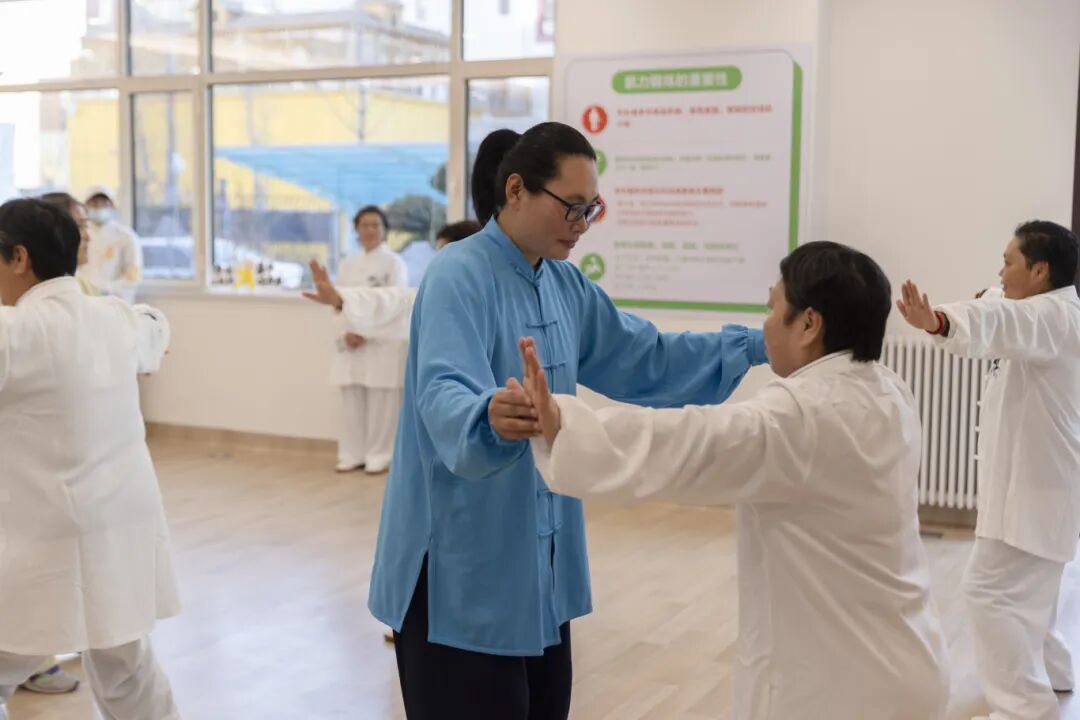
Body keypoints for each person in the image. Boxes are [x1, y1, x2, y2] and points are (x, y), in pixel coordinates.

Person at [367, 122, 768, 720]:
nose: (582, 224)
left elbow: (648, 357)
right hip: (460, 571)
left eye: (591, 209)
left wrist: (760, 344)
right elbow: (443, 390)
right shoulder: (457, 273)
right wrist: (488, 413)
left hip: (539, 570)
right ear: (516, 190)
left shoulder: (564, 282)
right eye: (572, 207)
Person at [518, 240, 951, 720]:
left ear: (809, 324)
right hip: (906, 660)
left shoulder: (804, 414)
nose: (765, 324)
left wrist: (564, 424)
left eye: (772, 308)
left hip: (843, 690)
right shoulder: (887, 387)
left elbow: (693, 442)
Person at [0, 198, 182, 720]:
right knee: (126, 667)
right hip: (119, 528)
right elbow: (156, 326)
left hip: (42, 538)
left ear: (19, 258)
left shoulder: (15, 331)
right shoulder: (115, 317)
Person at [897, 220, 1080, 720]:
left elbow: (1000, 319)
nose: (1000, 271)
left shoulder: (1050, 316)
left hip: (1036, 492)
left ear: (1039, 271)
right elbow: (997, 305)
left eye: (1008, 262)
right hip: (1039, 488)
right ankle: (1054, 673)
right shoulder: (1048, 311)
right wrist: (979, 302)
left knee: (990, 592)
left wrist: (938, 321)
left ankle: (1024, 709)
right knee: (1034, 593)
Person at [331, 205, 409, 474]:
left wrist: (365, 331)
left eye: (376, 225)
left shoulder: (394, 263)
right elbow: (337, 301)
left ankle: (380, 454)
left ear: (385, 230)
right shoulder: (348, 264)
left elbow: (396, 303)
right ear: (356, 230)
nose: (370, 230)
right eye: (364, 225)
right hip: (351, 341)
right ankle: (351, 453)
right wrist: (347, 331)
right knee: (351, 400)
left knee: (381, 401)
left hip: (381, 341)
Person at [83, 187, 142, 303]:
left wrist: (107, 290)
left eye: (104, 204)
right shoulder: (80, 234)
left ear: (113, 206)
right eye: (94, 203)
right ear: (85, 206)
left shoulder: (126, 236)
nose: (99, 207)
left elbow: (133, 274)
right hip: (84, 300)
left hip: (115, 300)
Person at [41, 191, 99, 296]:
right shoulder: (37, 289)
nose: (87, 237)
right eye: (79, 226)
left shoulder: (83, 284)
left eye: (85, 226)